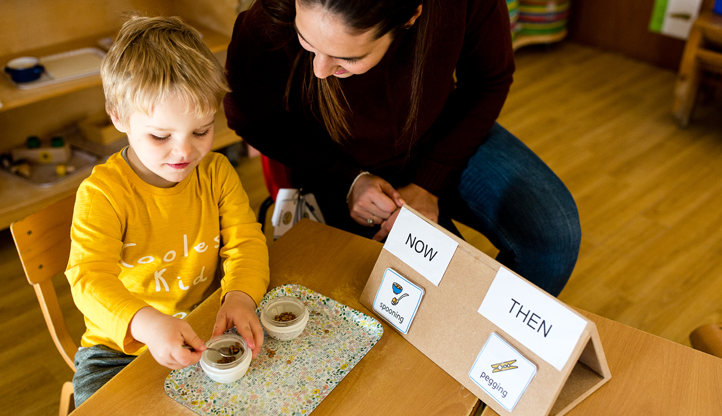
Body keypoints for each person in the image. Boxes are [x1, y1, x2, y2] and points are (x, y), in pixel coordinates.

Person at [223, 0, 581, 296]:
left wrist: (430, 181)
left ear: (411, 17)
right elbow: (251, 122)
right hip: (335, 165)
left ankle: (489, 345)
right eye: (306, 40)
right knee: (439, 285)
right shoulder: (265, 24)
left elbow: (489, 79)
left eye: (346, 59)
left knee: (554, 234)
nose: (319, 70)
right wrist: (349, 180)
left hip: (441, 136)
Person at [66, 16, 270, 407]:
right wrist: (147, 324)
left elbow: (246, 242)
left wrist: (241, 295)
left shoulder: (216, 173)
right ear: (118, 118)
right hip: (118, 350)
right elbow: (88, 279)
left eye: (201, 131)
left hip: (209, 325)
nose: (185, 152)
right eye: (160, 136)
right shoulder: (103, 194)